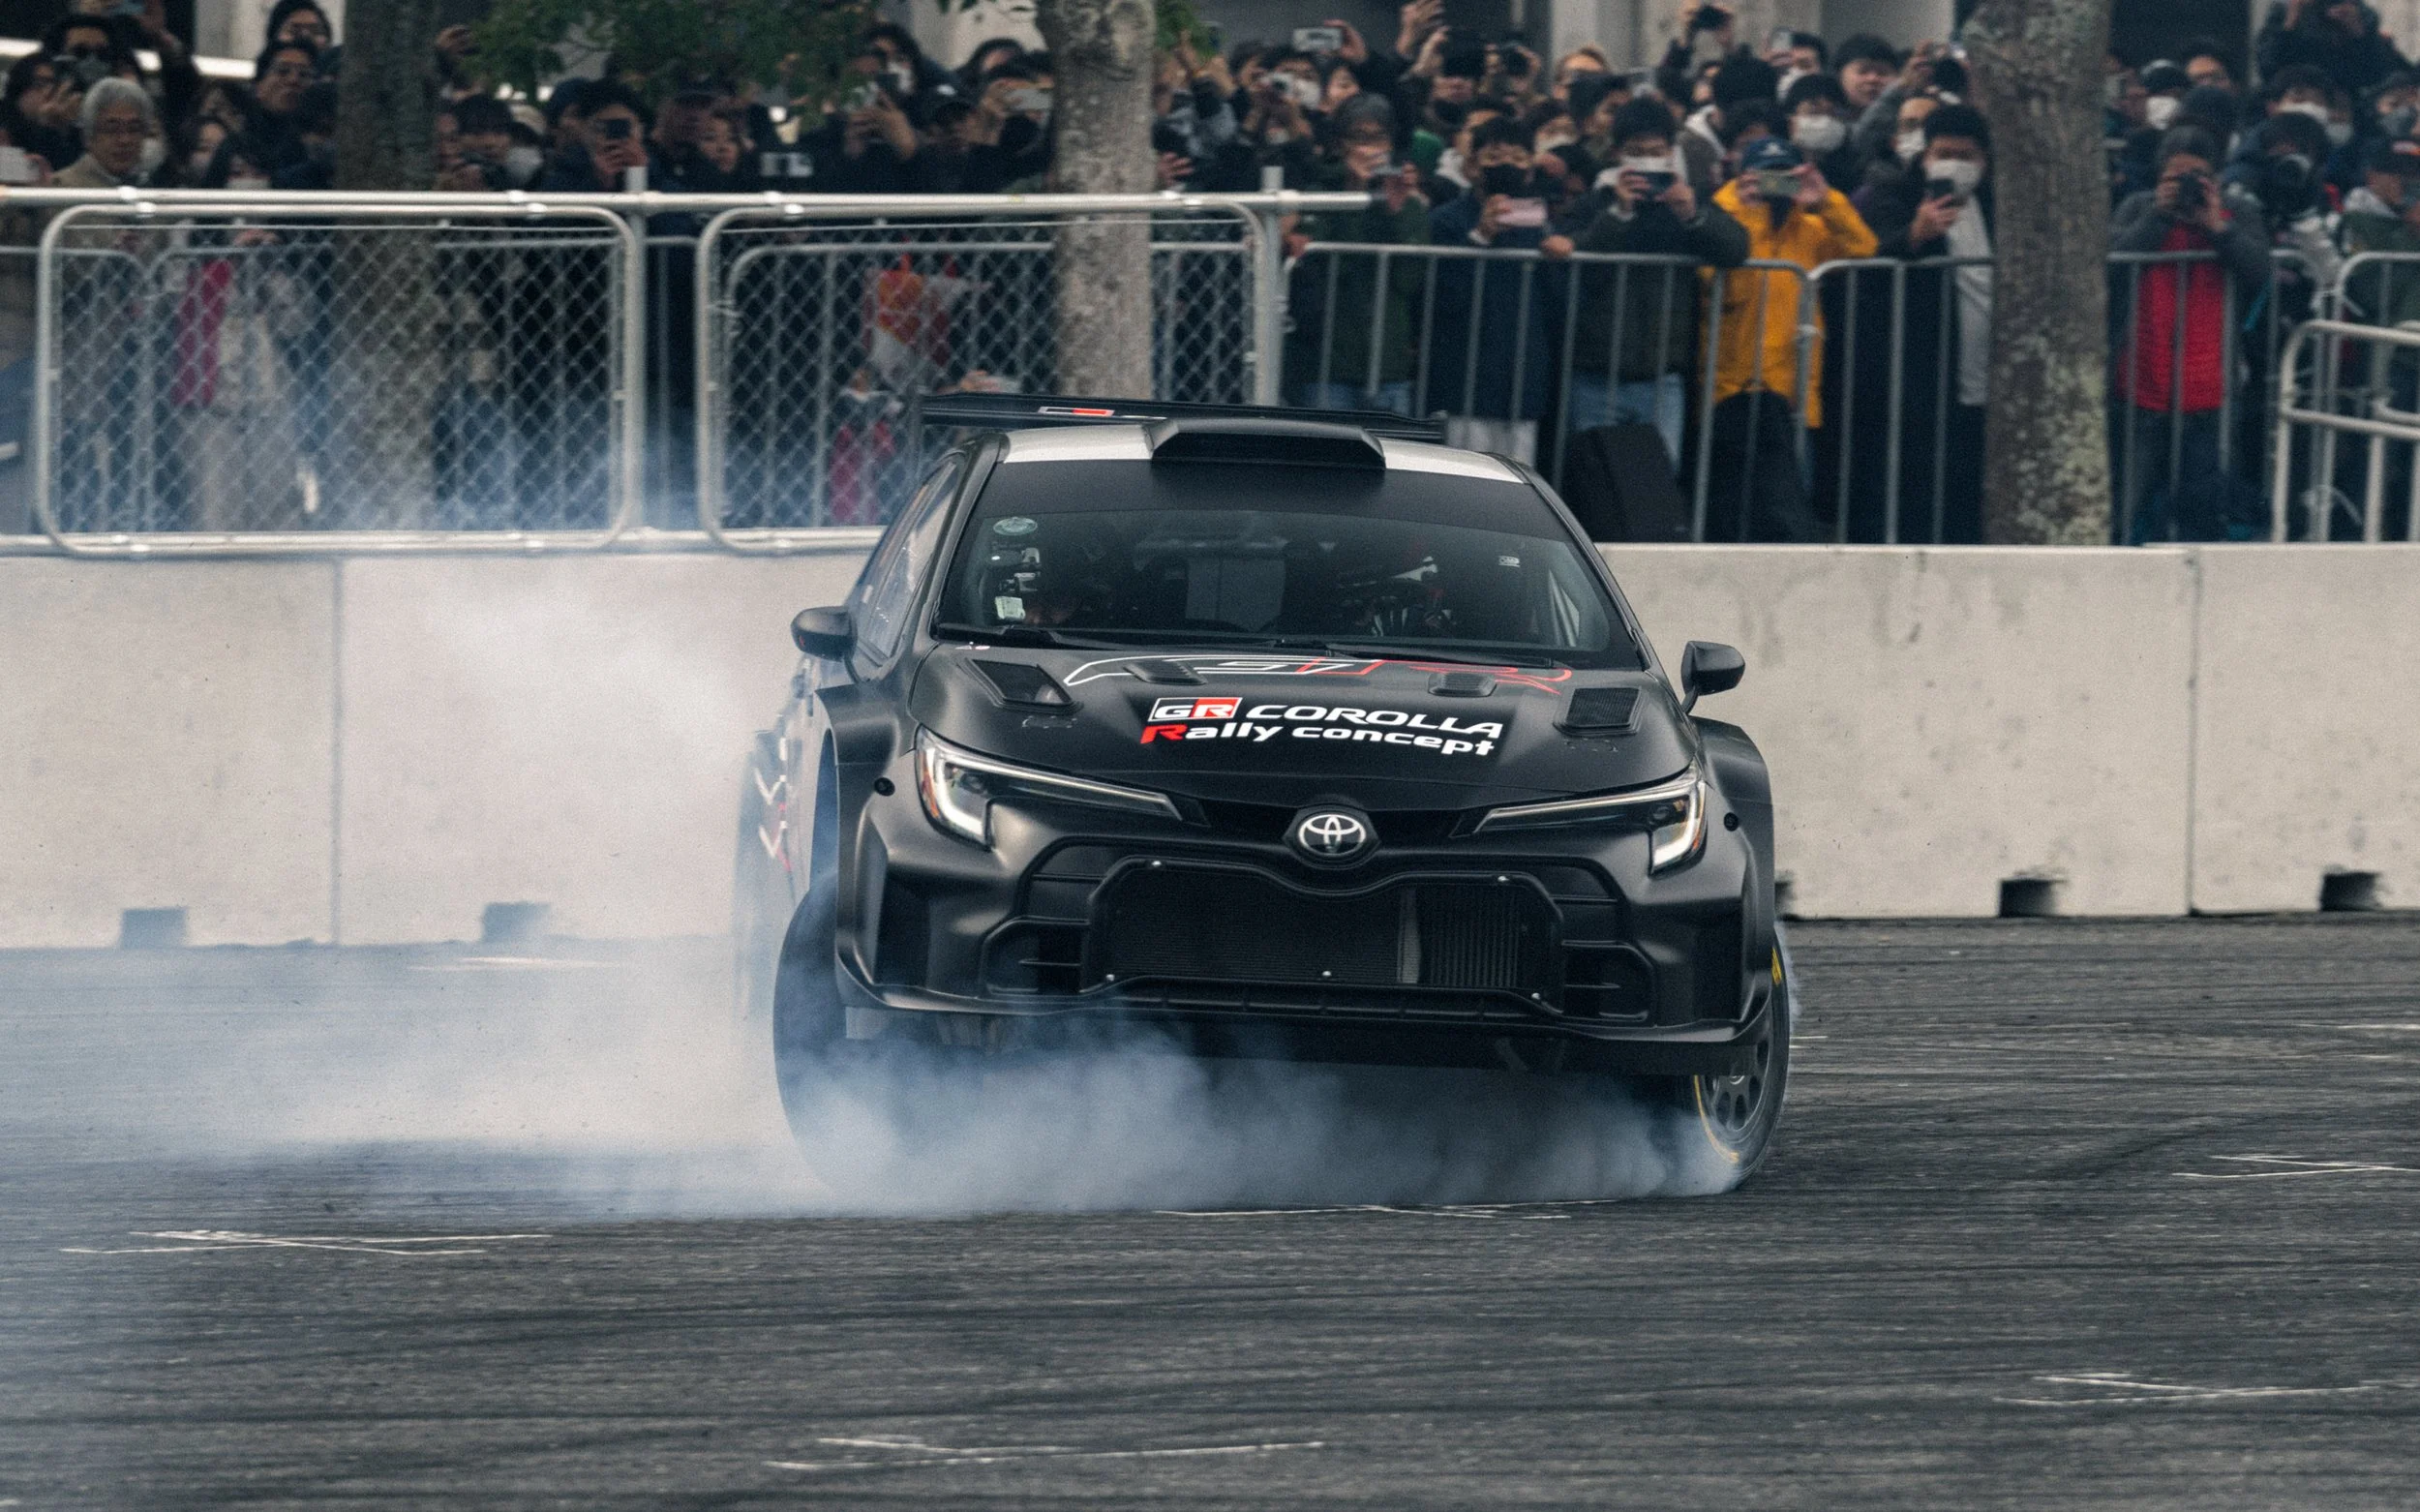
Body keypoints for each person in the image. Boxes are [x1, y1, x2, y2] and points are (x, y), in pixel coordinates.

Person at [1704, 136, 1876, 540]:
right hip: (1734, 388)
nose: (1774, 184)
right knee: (1735, 510)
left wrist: (1826, 200)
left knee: (1791, 507)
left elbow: (1864, 249)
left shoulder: (1809, 227)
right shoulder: (1722, 219)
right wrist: (1747, 214)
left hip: (1792, 393)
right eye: (1766, 175)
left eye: (1784, 175)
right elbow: (1730, 289)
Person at [1560, 97, 1748, 466]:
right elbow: (1574, 256)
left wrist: (1691, 213)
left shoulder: (1688, 200)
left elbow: (1735, 249)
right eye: (1636, 152)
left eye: (1656, 151)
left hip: (1663, 375)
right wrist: (1619, 214)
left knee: (1659, 477)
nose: (1647, 160)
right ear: (1617, 153)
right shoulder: (1594, 203)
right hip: (1595, 372)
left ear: (1671, 152)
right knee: (1594, 474)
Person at [2108, 128, 2273, 541]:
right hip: (2139, 380)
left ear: (2215, 179)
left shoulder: (2235, 212)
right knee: (2124, 502)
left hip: (2210, 386)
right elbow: (2115, 260)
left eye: (2197, 177)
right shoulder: (2138, 207)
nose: (2186, 186)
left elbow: (2260, 272)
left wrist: (2218, 227)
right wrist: (2159, 216)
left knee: (2205, 503)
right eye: (2176, 177)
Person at [1845, 104, 1995, 542]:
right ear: (1925, 155)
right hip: (1920, 372)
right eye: (1944, 154)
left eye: (1966, 156)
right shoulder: (1896, 196)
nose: (1955, 164)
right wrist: (1914, 236)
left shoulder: (1998, 205)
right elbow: (1866, 263)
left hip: (1986, 368)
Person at [1425, 113, 1562, 460]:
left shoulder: (1540, 223)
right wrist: (1480, 237)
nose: (1507, 166)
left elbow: (1556, 302)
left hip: (1522, 376)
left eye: (1518, 158)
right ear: (1472, 166)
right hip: (1464, 377)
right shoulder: (1446, 220)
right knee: (1463, 476)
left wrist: (1559, 254)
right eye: (1495, 157)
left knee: (1518, 479)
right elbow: (1441, 294)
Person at [1282, 117, 1431, 414]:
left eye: (1379, 140)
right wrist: (1356, 192)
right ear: (1343, 146)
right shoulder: (1319, 197)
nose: (1370, 150)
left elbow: (1409, 279)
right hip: (1326, 365)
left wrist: (1394, 212)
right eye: (1361, 139)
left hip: (1389, 365)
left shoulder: (1410, 205)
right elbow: (1332, 269)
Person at [2256, 0, 2406, 99]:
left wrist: (2358, 33)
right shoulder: (2284, 11)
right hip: (2294, 97)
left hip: (2345, 102)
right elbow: (2268, 67)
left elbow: (2377, 74)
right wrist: (2290, 23)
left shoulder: (2361, 15)